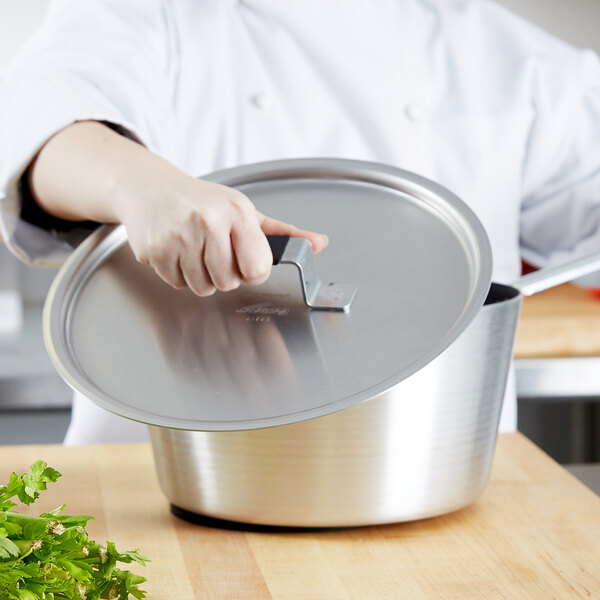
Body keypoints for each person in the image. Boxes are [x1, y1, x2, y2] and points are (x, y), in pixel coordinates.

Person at [0, 0, 599, 444]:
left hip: (432, 478)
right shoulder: (153, 16)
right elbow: (45, 131)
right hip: (157, 494)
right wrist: (144, 186)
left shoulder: (511, 58)